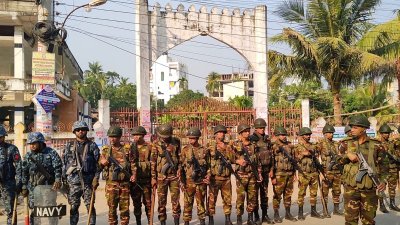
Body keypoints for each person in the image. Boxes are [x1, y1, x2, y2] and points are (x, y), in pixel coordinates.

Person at [339, 115, 387, 225]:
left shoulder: (376, 145)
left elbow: (385, 166)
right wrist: (347, 156)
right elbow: (337, 161)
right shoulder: (345, 143)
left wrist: (383, 181)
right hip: (350, 189)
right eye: (351, 127)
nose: (352, 130)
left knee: (368, 221)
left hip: (369, 189)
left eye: (355, 127)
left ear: (364, 129)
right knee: (350, 221)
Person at [62, 121, 100, 225]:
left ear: (86, 131)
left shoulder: (92, 145)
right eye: (78, 130)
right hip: (73, 183)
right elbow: (64, 164)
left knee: (90, 206)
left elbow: (98, 164)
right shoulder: (69, 145)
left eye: (83, 129)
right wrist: (64, 180)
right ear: (74, 132)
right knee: (73, 207)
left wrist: (96, 178)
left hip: (88, 182)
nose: (80, 131)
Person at [21, 132, 63, 225]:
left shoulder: (51, 153)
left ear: (40, 142)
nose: (32, 146)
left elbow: (58, 168)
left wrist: (57, 180)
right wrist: (24, 186)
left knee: (50, 210)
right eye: (30, 144)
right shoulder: (28, 156)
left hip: (49, 187)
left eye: (34, 143)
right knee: (35, 211)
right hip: (33, 188)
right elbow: (24, 172)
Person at [99, 126, 136, 225]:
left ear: (119, 137)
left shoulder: (127, 149)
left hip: (124, 184)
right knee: (112, 208)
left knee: (124, 209)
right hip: (111, 184)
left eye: (114, 137)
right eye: (110, 137)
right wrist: (102, 163)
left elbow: (133, 164)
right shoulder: (106, 150)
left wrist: (134, 175)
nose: (112, 139)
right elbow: (99, 167)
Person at [150, 124, 182, 225]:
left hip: (174, 176)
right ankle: (162, 222)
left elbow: (180, 157)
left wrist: (180, 169)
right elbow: (153, 162)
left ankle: (176, 221)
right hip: (161, 176)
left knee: (175, 201)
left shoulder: (176, 142)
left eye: (167, 136)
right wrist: (153, 177)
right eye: (163, 137)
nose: (165, 138)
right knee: (161, 201)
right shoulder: (155, 144)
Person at [233, 123, 262, 225]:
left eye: (248, 131)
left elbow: (257, 160)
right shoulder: (235, 144)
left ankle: (250, 218)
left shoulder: (253, 145)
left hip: (252, 174)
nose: (247, 132)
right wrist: (238, 161)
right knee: (240, 198)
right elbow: (229, 158)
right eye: (245, 131)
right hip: (241, 175)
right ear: (240, 133)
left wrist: (259, 173)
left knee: (252, 197)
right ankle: (239, 218)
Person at [181, 127, 210, 225]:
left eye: (193, 138)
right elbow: (180, 167)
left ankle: (202, 221)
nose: (191, 140)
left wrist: (208, 176)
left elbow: (209, 166)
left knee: (201, 203)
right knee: (187, 203)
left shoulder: (204, 150)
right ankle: (186, 222)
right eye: (189, 138)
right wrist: (182, 181)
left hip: (201, 181)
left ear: (197, 138)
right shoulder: (185, 150)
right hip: (189, 182)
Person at [207, 125, 235, 225]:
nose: (222, 134)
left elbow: (232, 159)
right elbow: (206, 162)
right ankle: (211, 219)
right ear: (215, 134)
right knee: (211, 200)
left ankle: (227, 219)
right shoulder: (209, 146)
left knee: (227, 199)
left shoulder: (228, 146)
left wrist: (228, 149)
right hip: (214, 178)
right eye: (219, 132)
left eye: (223, 132)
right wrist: (208, 174)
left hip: (226, 178)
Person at [295, 127, 324, 220]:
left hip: (314, 172)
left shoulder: (313, 146)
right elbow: (294, 160)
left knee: (314, 193)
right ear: (302, 136)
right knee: (301, 193)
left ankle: (313, 211)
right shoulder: (297, 147)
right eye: (306, 135)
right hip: (303, 173)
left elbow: (318, 152)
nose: (308, 136)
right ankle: (300, 212)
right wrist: (302, 154)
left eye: (309, 134)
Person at [249, 118, 274, 224]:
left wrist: (272, 169)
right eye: (260, 128)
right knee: (254, 195)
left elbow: (272, 155)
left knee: (264, 194)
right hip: (255, 172)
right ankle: (256, 216)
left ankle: (265, 215)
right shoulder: (252, 139)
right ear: (256, 128)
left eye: (263, 127)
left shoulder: (267, 139)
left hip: (266, 170)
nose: (262, 129)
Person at [270, 127, 297, 223]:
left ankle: (288, 213)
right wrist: (272, 176)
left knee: (288, 194)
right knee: (277, 195)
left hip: (289, 173)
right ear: (277, 136)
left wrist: (294, 173)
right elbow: (271, 161)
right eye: (281, 135)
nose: (284, 136)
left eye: (285, 134)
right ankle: (276, 214)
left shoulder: (289, 145)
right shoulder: (273, 146)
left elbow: (293, 160)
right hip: (279, 174)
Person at [316, 124, 343, 217]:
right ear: (324, 134)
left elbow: (340, 155)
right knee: (325, 191)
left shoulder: (336, 144)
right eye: (329, 133)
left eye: (332, 132)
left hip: (337, 170)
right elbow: (315, 157)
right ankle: (325, 210)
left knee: (337, 191)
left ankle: (336, 209)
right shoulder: (320, 144)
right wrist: (319, 172)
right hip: (326, 171)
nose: (331, 134)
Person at [130, 126, 153, 224]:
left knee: (148, 203)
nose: (136, 137)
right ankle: (138, 222)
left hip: (146, 180)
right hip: (135, 181)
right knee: (136, 204)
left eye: (138, 135)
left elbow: (153, 163)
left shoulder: (149, 146)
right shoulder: (130, 147)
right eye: (134, 135)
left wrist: (153, 178)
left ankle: (149, 221)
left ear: (143, 135)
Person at [0, 125, 22, 225]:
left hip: (8, 183)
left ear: (4, 137)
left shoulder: (12, 148)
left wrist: (19, 182)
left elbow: (19, 166)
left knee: (10, 210)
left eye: (0, 137)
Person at [377, 124, 400, 212]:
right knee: (382, 187)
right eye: (385, 133)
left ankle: (392, 204)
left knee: (392, 187)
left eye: (388, 133)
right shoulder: (377, 143)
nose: (387, 134)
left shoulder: (392, 143)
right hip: (382, 169)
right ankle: (382, 205)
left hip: (393, 168)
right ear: (381, 133)